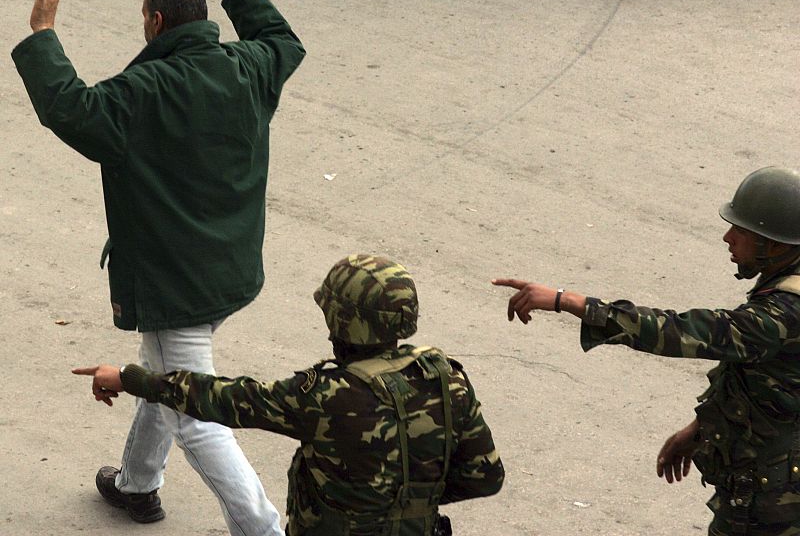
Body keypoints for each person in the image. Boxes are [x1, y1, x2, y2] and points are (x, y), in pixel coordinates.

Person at [12, 0, 305, 536]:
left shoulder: (140, 94)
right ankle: (137, 486)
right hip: (231, 270)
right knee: (163, 372)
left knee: (193, 407)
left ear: (154, 21)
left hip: (176, 284)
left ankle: (263, 529)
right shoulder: (247, 68)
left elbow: (69, 108)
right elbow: (282, 41)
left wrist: (43, 32)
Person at [74, 254, 505, 536]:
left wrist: (131, 378)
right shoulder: (446, 378)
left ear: (343, 321)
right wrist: (409, 500)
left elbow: (220, 398)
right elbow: (486, 478)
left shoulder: (327, 393)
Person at [493, 166, 800, 536]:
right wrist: (702, 428)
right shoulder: (787, 284)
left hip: (775, 505)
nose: (727, 237)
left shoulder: (783, 313)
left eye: (742, 232)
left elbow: (685, 331)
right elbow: (770, 384)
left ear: (777, 245)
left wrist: (571, 302)